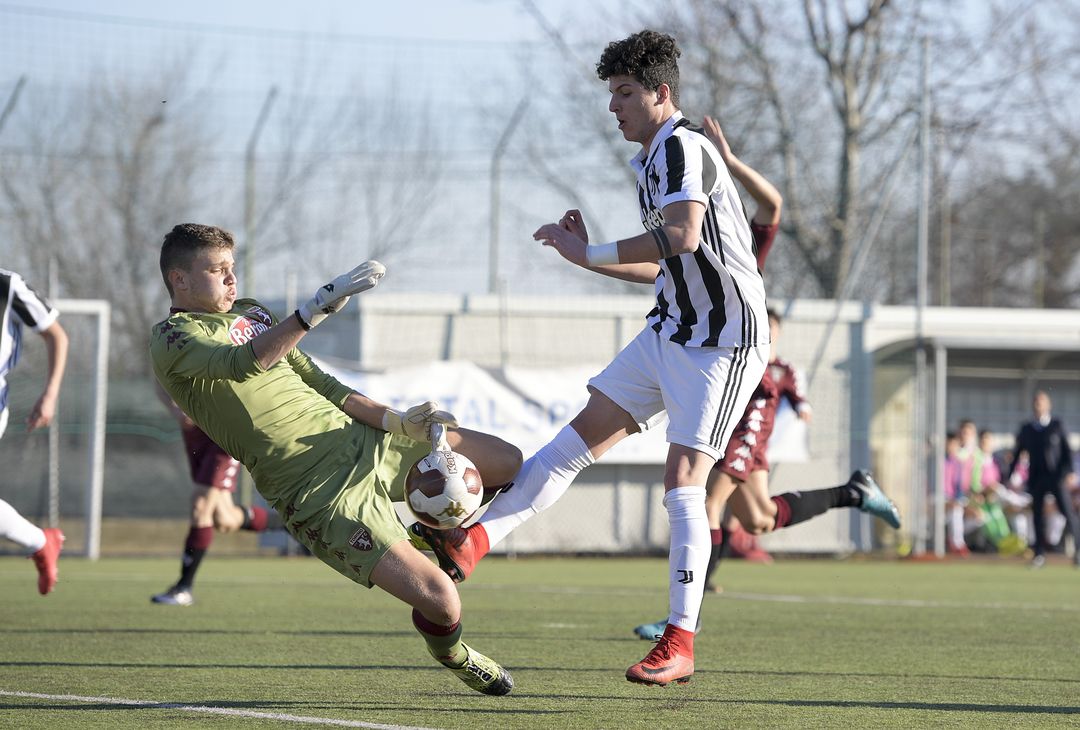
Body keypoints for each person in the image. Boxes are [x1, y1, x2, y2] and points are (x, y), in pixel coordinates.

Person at [413, 30, 771, 687]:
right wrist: (593, 258)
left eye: (626, 93)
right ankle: (474, 541)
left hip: (720, 342)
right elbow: (668, 268)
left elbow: (684, 235)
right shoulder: (655, 158)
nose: (614, 107)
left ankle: (680, 642)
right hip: (673, 329)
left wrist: (592, 253)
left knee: (684, 483)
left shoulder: (683, 147)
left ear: (663, 93)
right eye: (612, 94)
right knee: (572, 443)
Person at [151, 223, 522, 695]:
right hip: (314, 490)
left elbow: (324, 385)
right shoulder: (171, 337)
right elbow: (242, 364)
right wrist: (311, 311)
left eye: (232, 268)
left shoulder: (252, 312)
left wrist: (396, 421)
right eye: (216, 270)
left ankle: (444, 534)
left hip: (362, 438)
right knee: (442, 601)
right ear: (179, 279)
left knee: (505, 460)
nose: (231, 280)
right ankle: (455, 653)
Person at [632, 122, 900, 640]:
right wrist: (593, 258)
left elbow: (772, 206)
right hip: (715, 383)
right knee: (755, 520)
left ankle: (683, 621)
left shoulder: (735, 248)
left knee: (705, 498)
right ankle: (852, 491)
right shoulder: (680, 249)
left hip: (743, 386)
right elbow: (658, 270)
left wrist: (729, 163)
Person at [150, 383, 281, 606]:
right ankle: (288, 523)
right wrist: (175, 409)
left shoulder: (231, 346)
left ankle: (183, 587)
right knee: (224, 519)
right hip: (195, 432)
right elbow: (160, 379)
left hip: (224, 429)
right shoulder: (167, 346)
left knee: (201, 506)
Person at [0, 268, 68, 594]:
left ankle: (41, 541)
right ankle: (41, 542)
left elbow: (56, 335)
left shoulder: (7, 284)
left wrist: (50, 394)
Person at [1005, 390, 1080, 568]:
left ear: (1048, 405)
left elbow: (1066, 452)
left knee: (1068, 513)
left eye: (1041, 401)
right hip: (1037, 478)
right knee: (1037, 516)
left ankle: (1078, 550)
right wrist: (1009, 476)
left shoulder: (1057, 425)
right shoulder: (1027, 428)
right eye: (1035, 401)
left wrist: (1068, 473)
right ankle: (1039, 553)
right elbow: (1017, 453)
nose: (1037, 405)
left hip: (1057, 478)